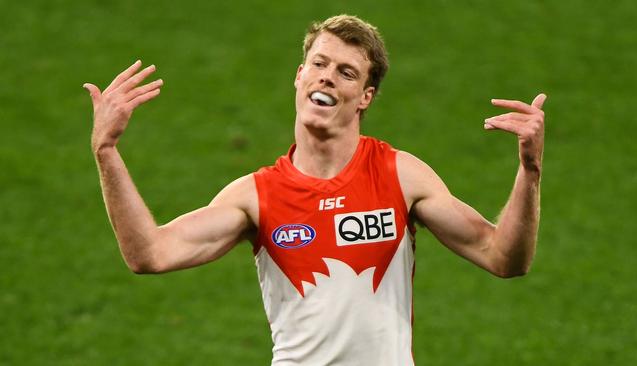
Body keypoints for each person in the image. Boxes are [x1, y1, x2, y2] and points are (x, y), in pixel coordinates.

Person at [83, 14, 546, 366]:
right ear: (299, 77)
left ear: (365, 96)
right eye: (319, 64)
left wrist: (529, 171)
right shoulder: (255, 197)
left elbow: (504, 258)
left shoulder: (400, 176)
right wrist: (107, 151)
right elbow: (150, 253)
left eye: (346, 72)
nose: (327, 75)